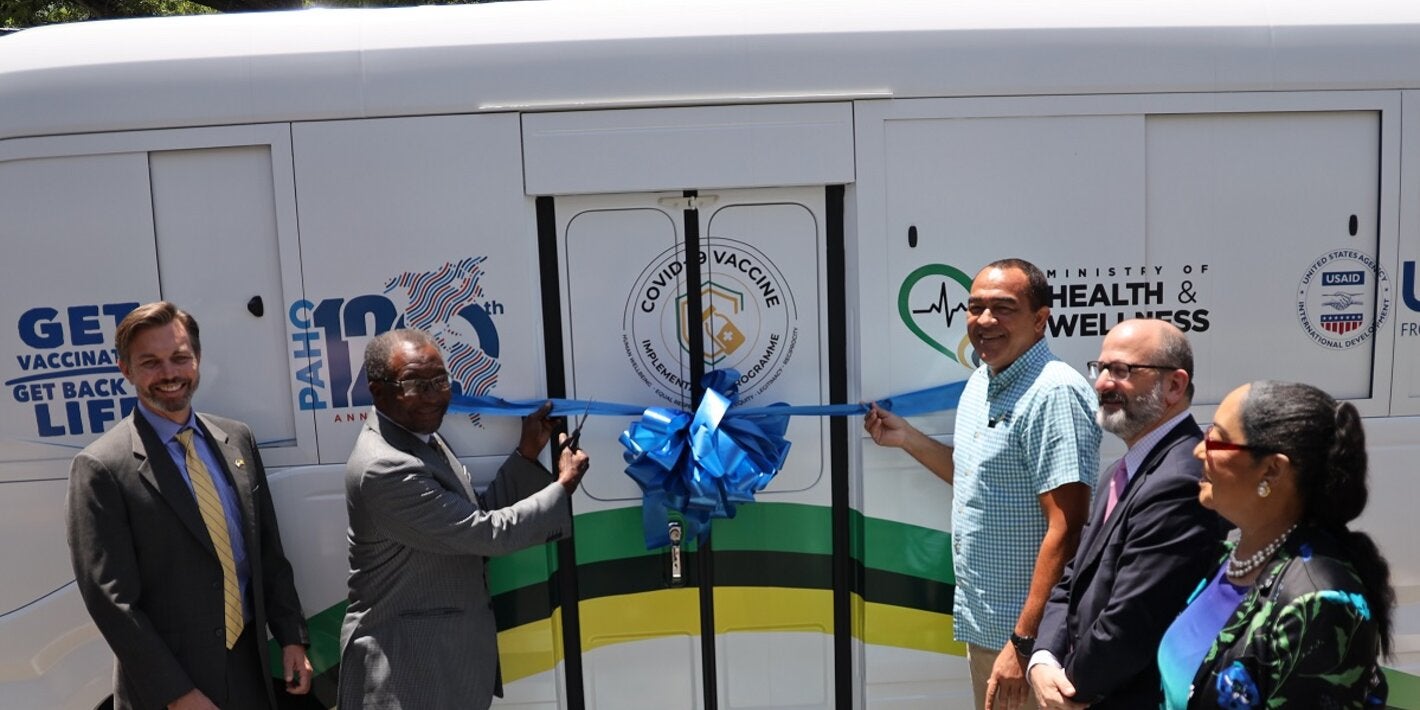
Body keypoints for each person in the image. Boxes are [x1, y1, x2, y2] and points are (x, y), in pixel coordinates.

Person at [864, 258, 1100, 710]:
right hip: (988, 629)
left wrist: (1024, 642)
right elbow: (978, 479)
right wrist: (907, 438)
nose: (985, 320)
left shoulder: (1053, 393)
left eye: (1003, 308)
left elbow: (1067, 527)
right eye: (975, 308)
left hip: (1029, 642)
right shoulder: (981, 381)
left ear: (1040, 319)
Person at [66, 301, 313, 710]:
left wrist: (291, 637)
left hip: (249, 675)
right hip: (168, 691)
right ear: (125, 370)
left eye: (180, 358)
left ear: (197, 359)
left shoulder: (237, 440)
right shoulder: (101, 467)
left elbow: (267, 552)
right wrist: (177, 693)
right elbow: (112, 603)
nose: (169, 373)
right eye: (151, 362)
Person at [338, 328, 589, 710]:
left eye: (440, 381)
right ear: (377, 391)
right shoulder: (384, 466)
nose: (433, 395)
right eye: (416, 384)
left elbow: (466, 521)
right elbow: (482, 534)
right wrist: (563, 486)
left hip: (444, 666)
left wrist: (525, 455)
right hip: (409, 674)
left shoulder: (420, 438)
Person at [1157, 381, 1393, 709]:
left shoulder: (1319, 603)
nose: (1199, 450)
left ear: (1271, 470)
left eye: (1217, 439)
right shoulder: (1233, 554)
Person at [1027, 319, 1222, 709]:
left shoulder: (1181, 479)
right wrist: (1043, 658)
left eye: (1122, 370)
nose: (1102, 383)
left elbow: (1132, 622)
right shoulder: (1121, 471)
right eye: (1100, 369)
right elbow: (1074, 578)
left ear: (1175, 385)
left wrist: (1068, 687)